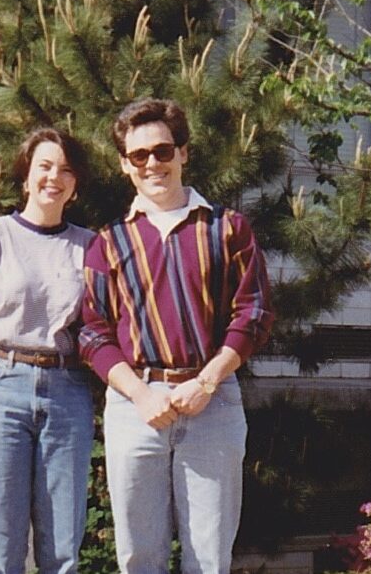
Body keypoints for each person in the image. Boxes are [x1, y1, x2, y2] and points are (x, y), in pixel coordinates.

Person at [79, 98, 274, 574]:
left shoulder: (229, 229)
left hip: (212, 401)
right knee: (138, 556)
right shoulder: (108, 242)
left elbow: (254, 312)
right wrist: (143, 395)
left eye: (162, 151)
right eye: (138, 156)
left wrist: (206, 382)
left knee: (208, 558)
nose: (152, 164)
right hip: (135, 406)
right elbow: (92, 330)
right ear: (125, 165)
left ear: (183, 153)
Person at [0, 128, 95, 574]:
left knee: (63, 545)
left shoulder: (91, 246)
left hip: (67, 392)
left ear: (76, 184)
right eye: (44, 166)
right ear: (26, 177)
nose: (54, 177)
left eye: (66, 170)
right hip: (0, 389)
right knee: (3, 544)